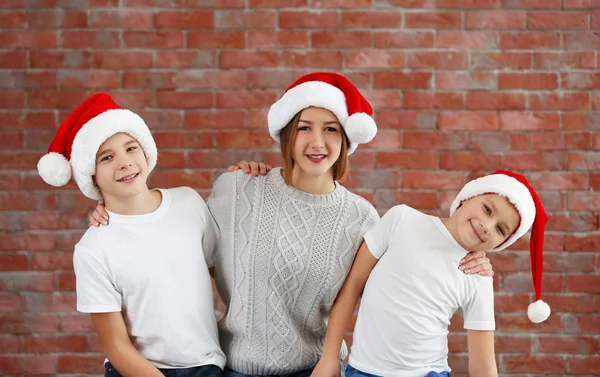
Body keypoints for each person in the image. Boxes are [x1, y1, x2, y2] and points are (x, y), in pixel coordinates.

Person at [88, 72, 495, 377]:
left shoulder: (361, 218)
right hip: (229, 369)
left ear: (345, 141)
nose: (317, 143)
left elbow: (394, 282)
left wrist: (469, 260)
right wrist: (115, 219)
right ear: (287, 134)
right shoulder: (238, 189)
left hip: (314, 370)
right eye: (305, 128)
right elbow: (173, 243)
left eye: (330, 129)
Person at [37, 93, 225, 377]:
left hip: (208, 367)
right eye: (107, 157)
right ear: (92, 175)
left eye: (131, 148)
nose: (124, 162)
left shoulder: (190, 203)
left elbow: (223, 273)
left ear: (146, 151)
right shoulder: (94, 247)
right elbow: (116, 347)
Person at [313, 170, 551, 377]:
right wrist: (329, 357)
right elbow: (352, 285)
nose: (487, 226)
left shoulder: (478, 276)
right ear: (467, 197)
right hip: (363, 371)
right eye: (487, 209)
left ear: (502, 243)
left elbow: (483, 367)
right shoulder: (401, 220)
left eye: (501, 229)